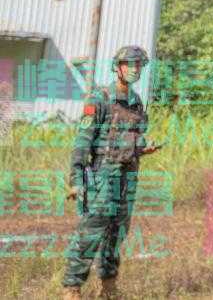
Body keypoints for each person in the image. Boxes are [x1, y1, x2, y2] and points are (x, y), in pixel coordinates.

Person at [62, 46, 161, 300]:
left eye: (139, 65)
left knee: (117, 233)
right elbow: (82, 142)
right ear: (118, 67)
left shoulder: (137, 103)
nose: (135, 69)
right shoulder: (99, 99)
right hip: (102, 175)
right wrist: (75, 180)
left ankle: (108, 285)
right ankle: (72, 288)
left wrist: (143, 147)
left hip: (128, 177)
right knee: (91, 231)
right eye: (130, 64)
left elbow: (135, 137)